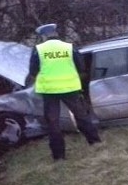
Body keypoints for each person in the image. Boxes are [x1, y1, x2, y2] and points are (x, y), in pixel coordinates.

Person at [27, 23, 101, 161]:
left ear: (43, 36)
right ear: (56, 33)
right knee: (81, 116)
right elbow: (81, 67)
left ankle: (59, 156)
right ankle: (95, 142)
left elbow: (33, 72)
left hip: (49, 91)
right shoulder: (69, 47)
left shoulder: (38, 50)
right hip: (70, 88)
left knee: (53, 123)